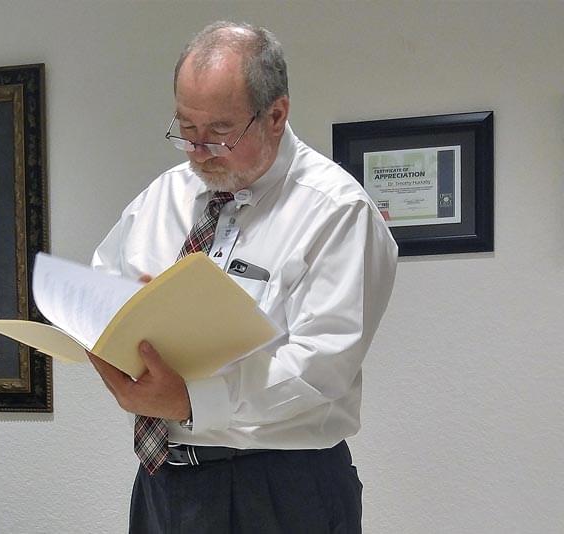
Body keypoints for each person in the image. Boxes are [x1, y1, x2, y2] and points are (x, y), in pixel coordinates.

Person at [88, 20, 397, 533]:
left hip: (279, 489)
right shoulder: (163, 196)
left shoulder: (337, 211)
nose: (198, 149)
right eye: (186, 127)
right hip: (165, 483)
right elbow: (103, 293)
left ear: (276, 115)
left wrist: (192, 401)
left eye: (219, 131)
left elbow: (319, 368)